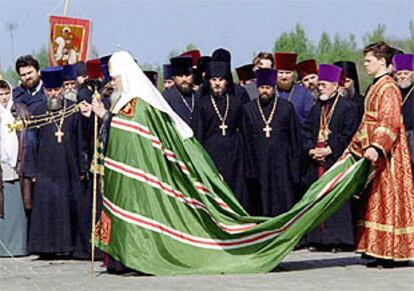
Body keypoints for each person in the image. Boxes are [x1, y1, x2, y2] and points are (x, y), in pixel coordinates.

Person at [348, 41, 414, 268]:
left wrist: (377, 146)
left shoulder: (388, 88)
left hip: (389, 155)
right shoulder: (375, 86)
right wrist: (354, 148)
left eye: (368, 60)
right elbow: (367, 122)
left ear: (382, 61)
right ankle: (377, 248)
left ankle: (392, 251)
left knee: (388, 199)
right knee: (375, 201)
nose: (365, 64)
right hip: (374, 153)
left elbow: (390, 121)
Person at [24, 66, 85, 258]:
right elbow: (31, 144)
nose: (53, 94)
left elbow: (79, 140)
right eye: (49, 91)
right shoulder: (37, 111)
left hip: (69, 167)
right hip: (44, 169)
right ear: (44, 91)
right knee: (47, 208)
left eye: (56, 90)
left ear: (62, 89)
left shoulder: (72, 109)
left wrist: (82, 168)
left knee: (67, 207)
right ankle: (46, 248)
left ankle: (69, 247)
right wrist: (32, 170)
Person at [302, 64, 356, 251]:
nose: (320, 88)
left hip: (336, 160)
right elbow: (307, 131)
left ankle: (338, 240)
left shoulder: (347, 107)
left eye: (324, 84)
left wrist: (331, 149)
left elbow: (350, 135)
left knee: (336, 199)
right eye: (320, 85)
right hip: (316, 161)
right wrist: (310, 149)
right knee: (317, 198)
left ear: (335, 85)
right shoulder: (317, 108)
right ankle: (318, 239)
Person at [242, 68, 301, 216]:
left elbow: (295, 138)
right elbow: (246, 140)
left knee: (284, 199)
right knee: (261, 201)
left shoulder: (286, 107)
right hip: (259, 164)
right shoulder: (248, 109)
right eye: (262, 88)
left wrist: (295, 169)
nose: (265, 91)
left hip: (282, 164)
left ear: (273, 88)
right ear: (257, 88)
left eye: (268, 88)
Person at [193, 61, 247, 199]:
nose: (217, 83)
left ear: (227, 82)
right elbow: (198, 135)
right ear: (209, 82)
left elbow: (243, 130)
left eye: (221, 80)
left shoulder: (236, 103)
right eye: (213, 80)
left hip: (234, 154)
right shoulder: (202, 105)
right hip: (210, 154)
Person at [0, 79, 27, 257]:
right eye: (0, 94)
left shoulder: (21, 110)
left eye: (6, 93)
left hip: (18, 165)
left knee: (17, 207)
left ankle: (19, 246)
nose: (3, 97)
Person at [274, 52, 314, 125]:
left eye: (288, 73)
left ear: (294, 74)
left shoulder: (304, 93)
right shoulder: (270, 92)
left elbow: (310, 120)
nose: (284, 77)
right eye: (281, 73)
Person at [162, 56, 200, 126]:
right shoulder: (166, 98)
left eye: (187, 75)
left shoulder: (199, 96)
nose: (184, 79)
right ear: (174, 78)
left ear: (193, 76)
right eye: (180, 76)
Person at [393, 54, 414, 175]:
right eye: (399, 74)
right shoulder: (394, 92)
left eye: (406, 73)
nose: (402, 77)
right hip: (397, 141)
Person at [334, 61, 365, 127]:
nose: (343, 85)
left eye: (347, 81)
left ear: (354, 82)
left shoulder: (363, 103)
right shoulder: (329, 104)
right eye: (340, 82)